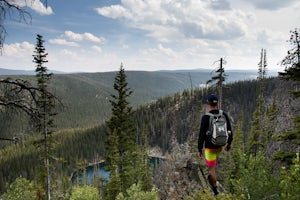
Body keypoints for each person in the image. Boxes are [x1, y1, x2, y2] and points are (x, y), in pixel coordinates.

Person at [198, 94, 233, 195]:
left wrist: (199, 149)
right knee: (214, 163)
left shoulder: (206, 117)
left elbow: (201, 135)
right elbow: (229, 130)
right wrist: (229, 143)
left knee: (212, 169)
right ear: (217, 103)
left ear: (209, 104)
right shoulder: (224, 114)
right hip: (220, 145)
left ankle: (215, 189)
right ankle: (213, 179)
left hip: (210, 148)